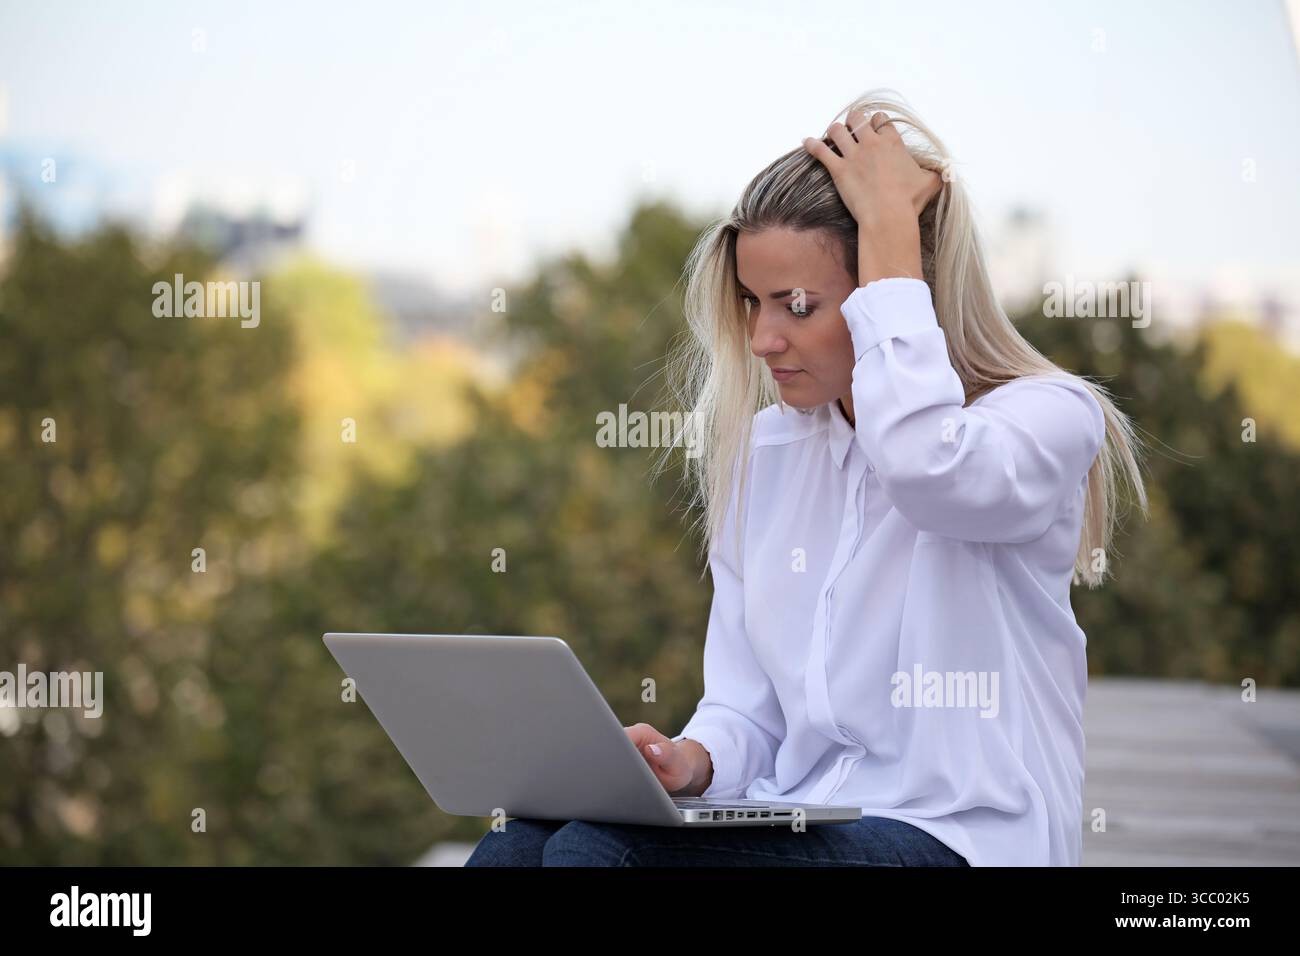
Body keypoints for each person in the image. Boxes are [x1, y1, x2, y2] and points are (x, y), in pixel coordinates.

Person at [466, 90, 1147, 867]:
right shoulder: (767, 453)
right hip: (802, 817)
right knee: (517, 846)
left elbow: (927, 467)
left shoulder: (1046, 420)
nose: (761, 338)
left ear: (898, 289)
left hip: (964, 835)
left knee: (601, 856)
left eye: (797, 305)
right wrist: (695, 760)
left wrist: (891, 231)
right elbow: (748, 709)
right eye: (753, 302)